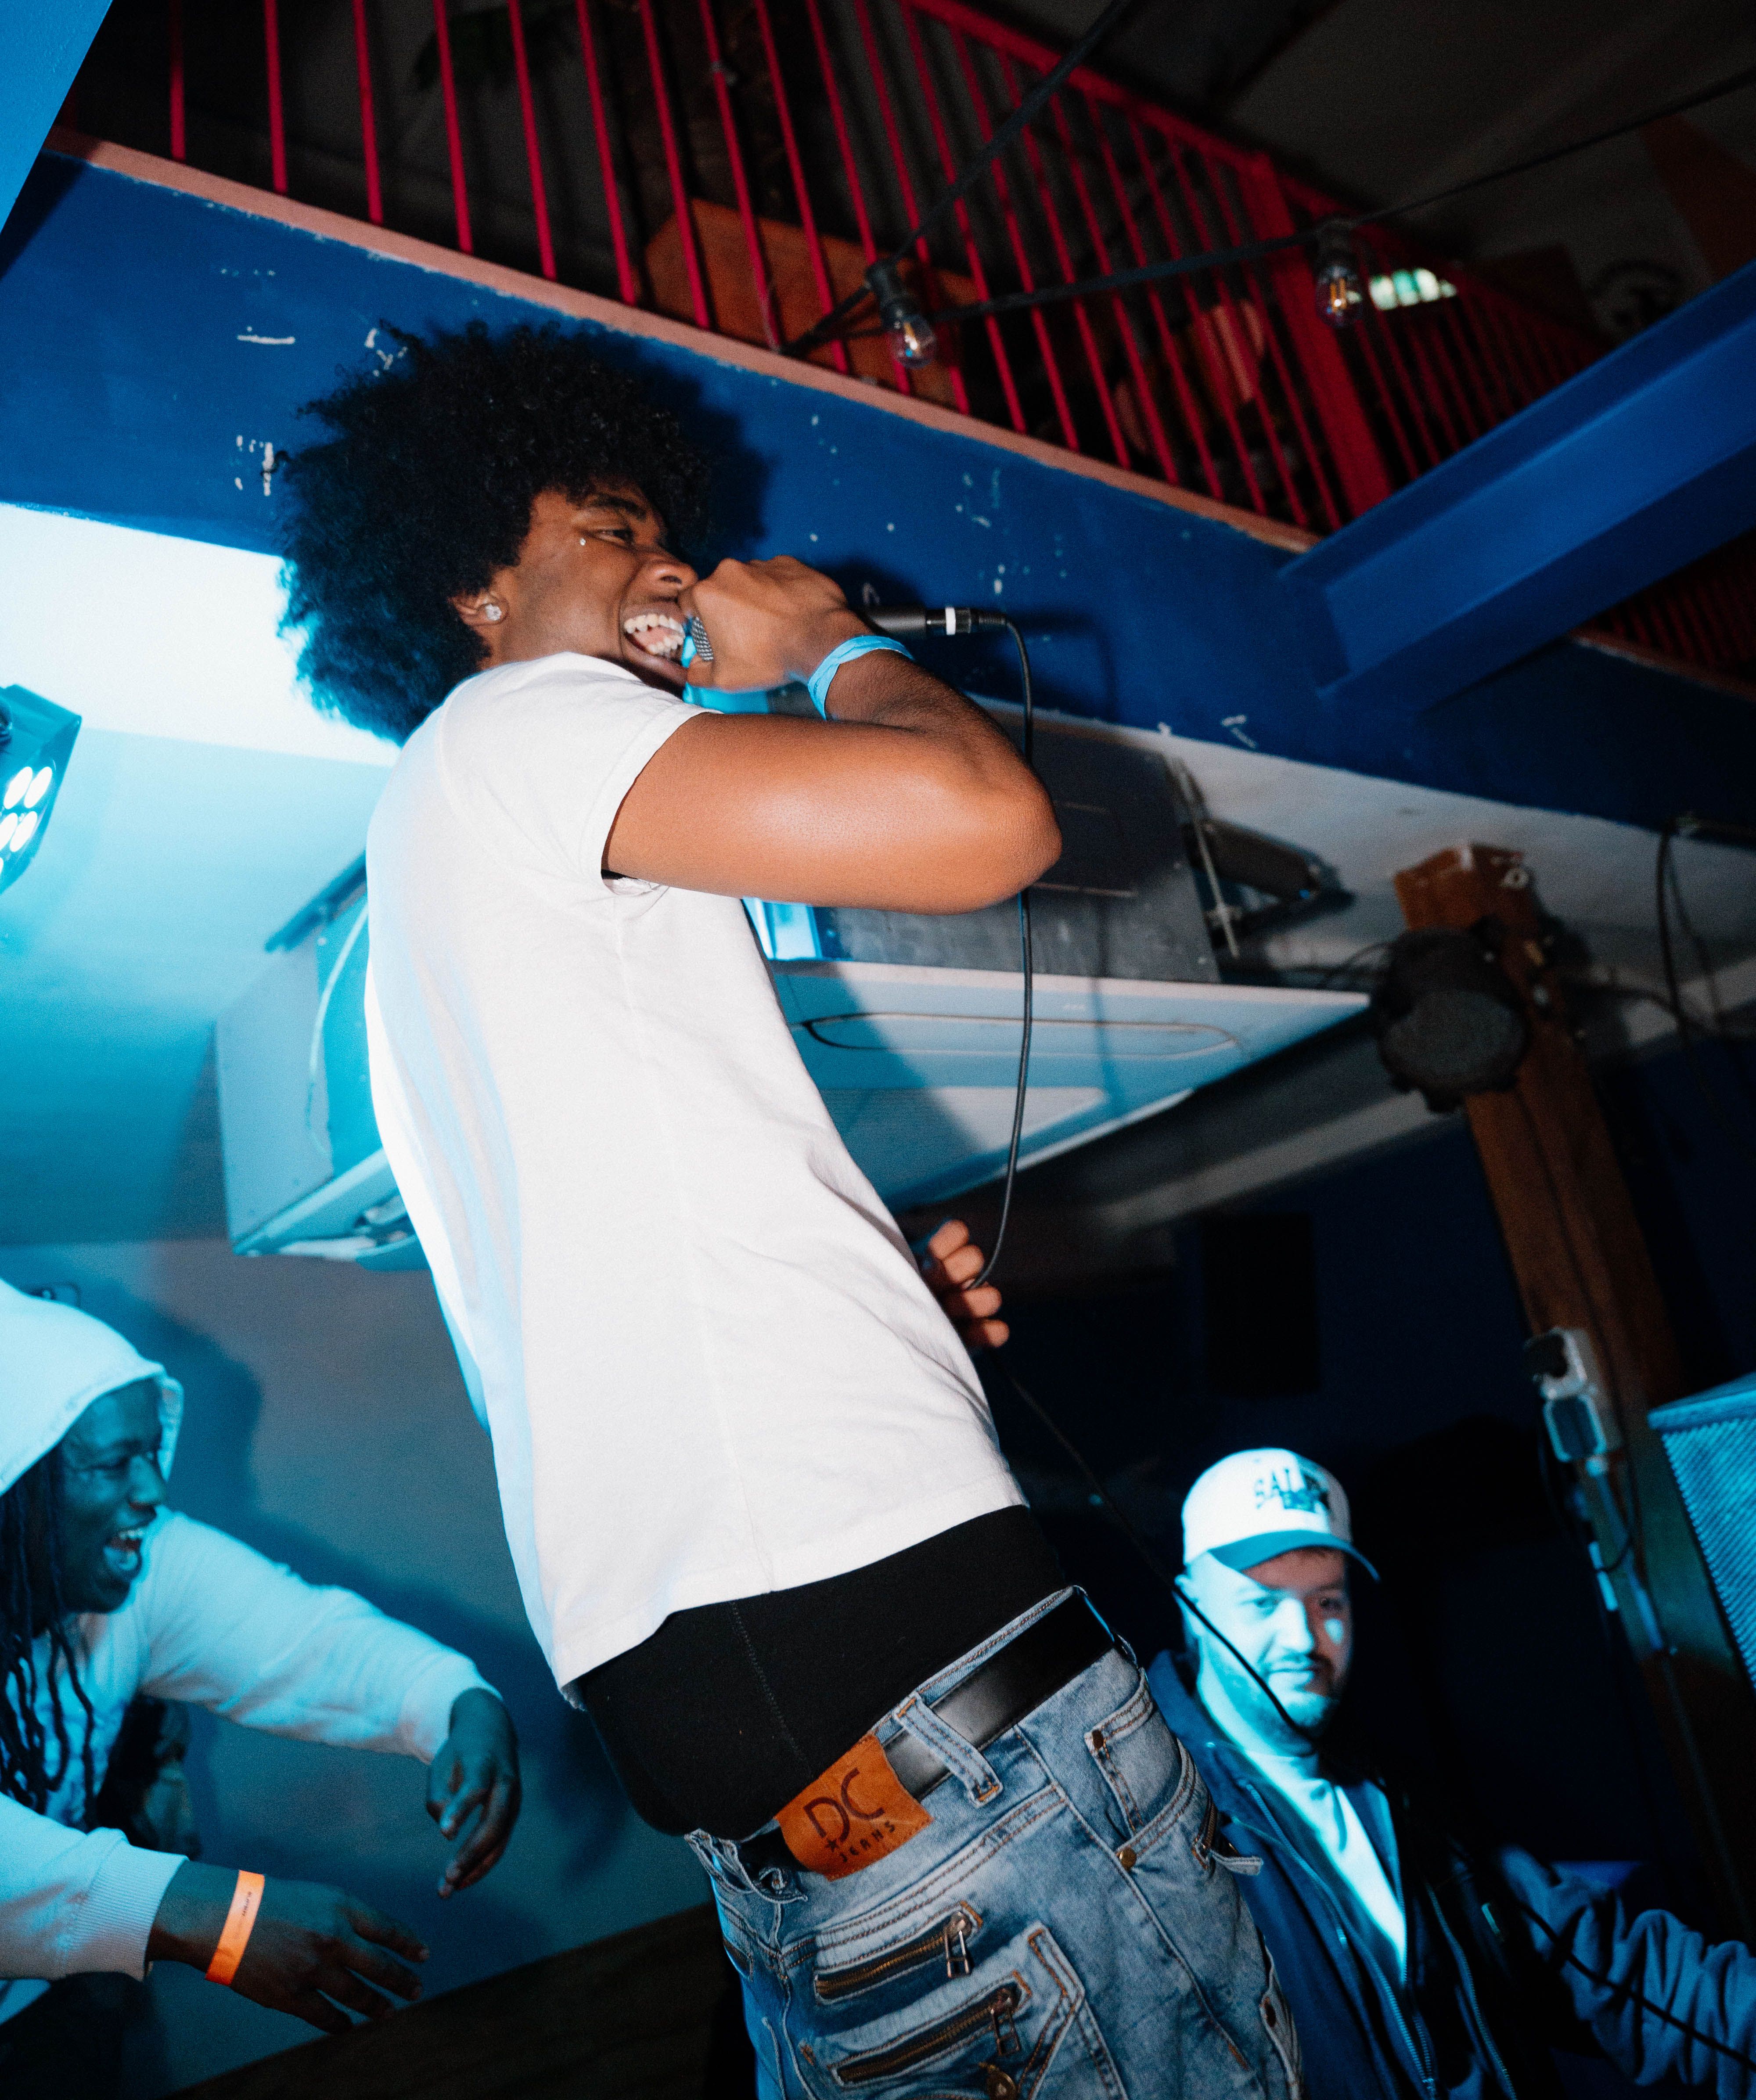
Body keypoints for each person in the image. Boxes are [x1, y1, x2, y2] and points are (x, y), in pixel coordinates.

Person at [279, 321, 1303, 2100]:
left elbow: (638, 1271)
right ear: (474, 589)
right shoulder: (521, 722)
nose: (670, 567)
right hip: (956, 1761)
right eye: (611, 529)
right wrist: (832, 644)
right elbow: (981, 819)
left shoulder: (436, 872)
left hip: (806, 1841)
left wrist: (865, 1304)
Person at [0, 1277, 521, 2089]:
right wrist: (219, 1914)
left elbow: (309, 1643)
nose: (153, 1490)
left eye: (151, 1452)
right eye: (112, 1464)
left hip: (39, 2006)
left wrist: (455, 1701)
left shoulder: (142, 1572)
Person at [1147, 1446, 1756, 2100]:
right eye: (1263, 1605)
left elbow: (1610, 1970)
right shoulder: (1153, 1831)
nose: (1303, 1638)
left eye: (1327, 1602)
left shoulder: (1400, 1797)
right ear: (1190, 1605)